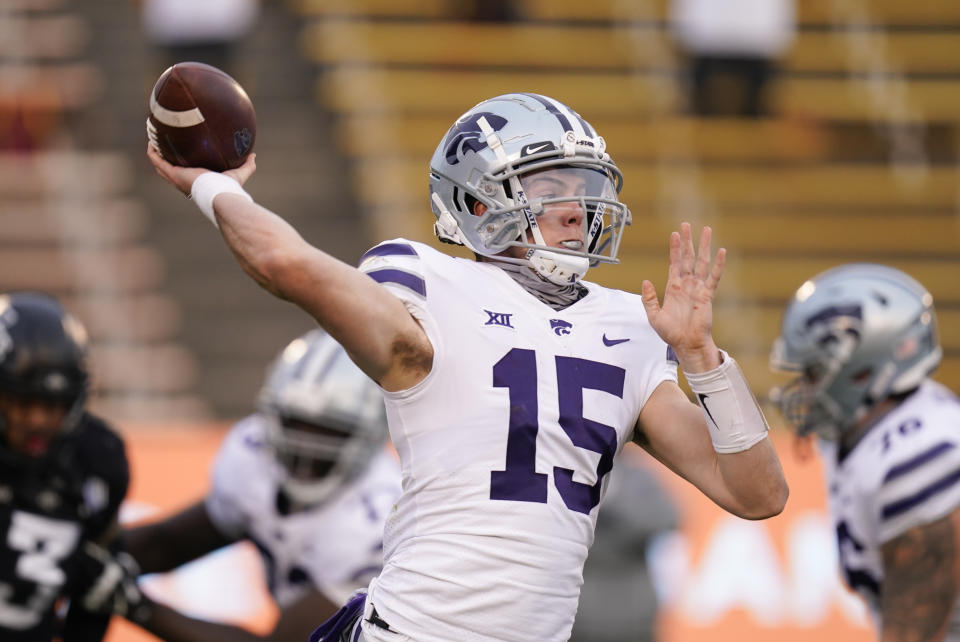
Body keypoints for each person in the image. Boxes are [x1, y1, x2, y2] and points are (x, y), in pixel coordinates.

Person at [145, 92, 788, 641]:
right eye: (550, 189)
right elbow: (286, 267)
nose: (576, 210)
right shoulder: (430, 285)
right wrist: (214, 184)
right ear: (477, 204)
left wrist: (704, 360)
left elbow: (758, 494)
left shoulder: (628, 325)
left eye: (584, 191)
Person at [112, 329, 400, 641]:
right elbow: (166, 545)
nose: (306, 447)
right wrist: (82, 551)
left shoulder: (377, 516)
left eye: (328, 431)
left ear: (369, 436)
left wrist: (134, 605)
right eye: (295, 424)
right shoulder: (254, 459)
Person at [770, 263, 960, 641]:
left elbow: (916, 632)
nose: (804, 388)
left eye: (813, 372)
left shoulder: (917, 458)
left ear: (862, 371)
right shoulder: (875, 432)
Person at [0, 292, 131, 641]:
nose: (39, 421)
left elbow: (97, 591)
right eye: (23, 402)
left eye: (53, 405)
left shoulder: (97, 459)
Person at [570, 447, 678, 642]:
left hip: (632, 615)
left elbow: (669, 519)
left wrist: (614, 500)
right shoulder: (566, 476)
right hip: (581, 615)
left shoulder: (638, 476)